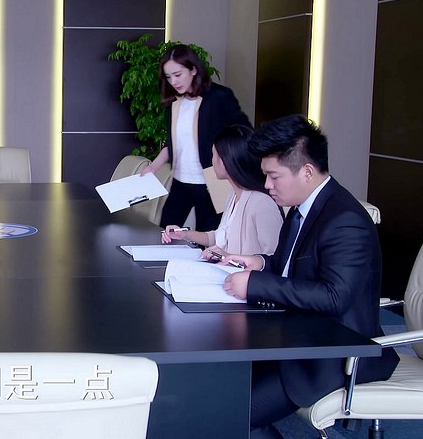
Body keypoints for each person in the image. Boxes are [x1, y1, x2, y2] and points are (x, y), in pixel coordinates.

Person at [219, 114, 399, 439]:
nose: (267, 185)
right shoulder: (303, 207)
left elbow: (334, 296)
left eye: (273, 176)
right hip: (294, 338)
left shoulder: (345, 220)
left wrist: (256, 284)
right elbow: (291, 267)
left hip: (331, 354)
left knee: (231, 415)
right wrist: (260, 263)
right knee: (217, 389)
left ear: (306, 171)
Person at [140, 44, 251, 232]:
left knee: (208, 239)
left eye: (178, 74)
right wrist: (153, 167)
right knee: (165, 232)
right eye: (168, 77)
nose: (173, 81)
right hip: (180, 180)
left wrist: (229, 162)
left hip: (213, 182)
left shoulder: (219, 97)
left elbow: (244, 133)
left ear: (193, 70)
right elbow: (174, 143)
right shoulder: (174, 102)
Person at [162, 124, 282, 256]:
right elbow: (219, 238)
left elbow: (273, 260)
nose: (212, 161)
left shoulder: (262, 204)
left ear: (226, 160)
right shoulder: (233, 194)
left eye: (213, 154)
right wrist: (184, 234)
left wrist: (226, 257)